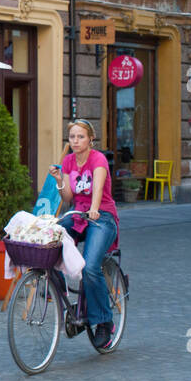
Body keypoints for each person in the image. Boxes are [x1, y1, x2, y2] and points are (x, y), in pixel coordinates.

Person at [48, 119, 120, 350]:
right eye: (72, 137)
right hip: (78, 214)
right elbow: (68, 198)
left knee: (90, 267)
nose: (76, 141)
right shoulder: (68, 161)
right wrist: (60, 181)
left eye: (80, 137)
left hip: (103, 216)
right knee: (48, 241)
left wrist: (95, 209)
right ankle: (63, 298)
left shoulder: (97, 159)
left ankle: (104, 322)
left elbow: (97, 188)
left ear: (90, 139)